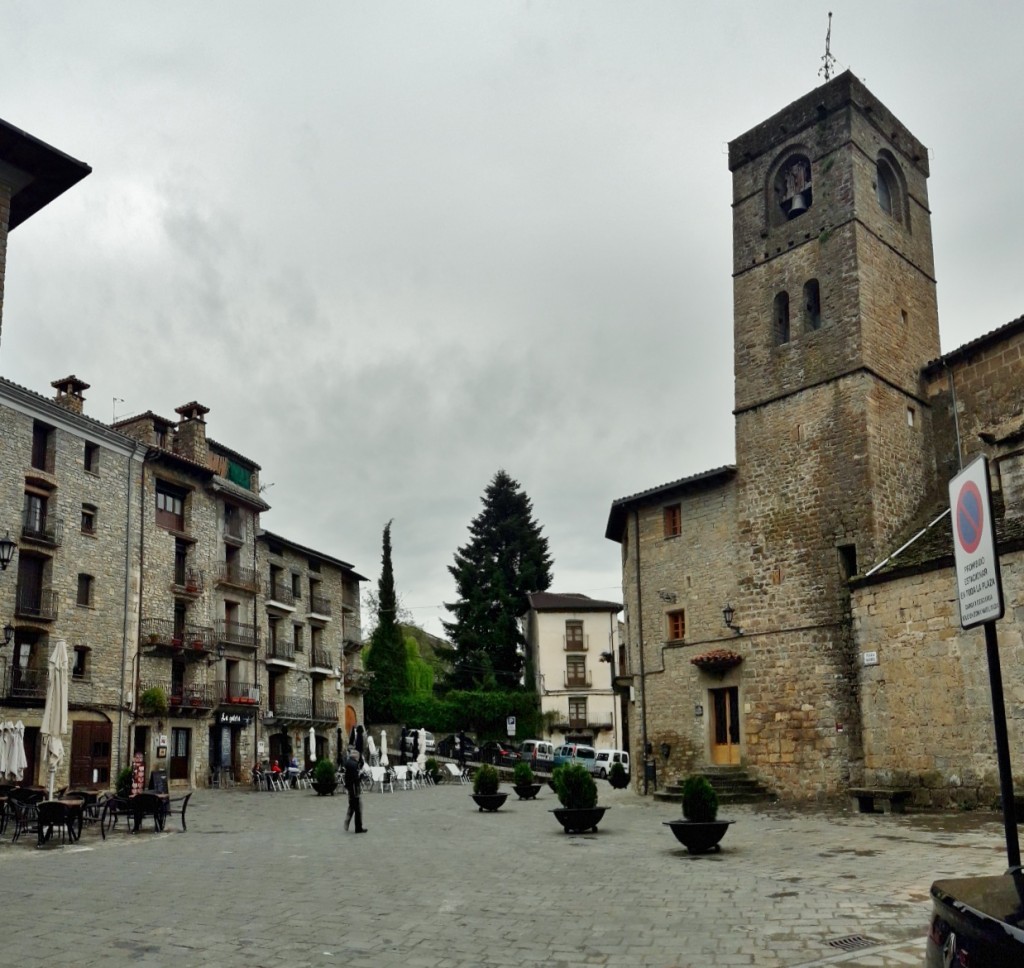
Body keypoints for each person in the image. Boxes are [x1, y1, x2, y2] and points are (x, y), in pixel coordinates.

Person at [343, 748, 367, 834]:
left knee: (353, 806)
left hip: (350, 788)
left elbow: (348, 777)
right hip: (354, 789)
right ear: (356, 756)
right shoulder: (354, 765)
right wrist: (360, 776)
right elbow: (355, 778)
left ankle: (348, 820)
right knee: (357, 808)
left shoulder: (348, 762)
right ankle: (358, 828)